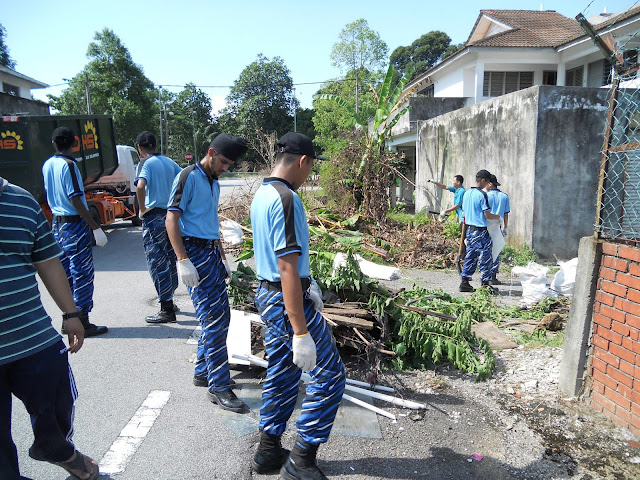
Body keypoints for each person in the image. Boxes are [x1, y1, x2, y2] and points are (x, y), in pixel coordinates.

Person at [250, 132, 346, 479]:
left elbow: (286, 261)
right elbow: (287, 266)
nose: (309, 177)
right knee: (331, 375)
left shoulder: (261, 194)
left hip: (269, 293)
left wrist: (310, 282)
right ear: (302, 161)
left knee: (283, 370)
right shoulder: (287, 198)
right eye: (311, 169)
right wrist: (301, 331)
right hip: (285, 298)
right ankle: (302, 460)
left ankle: (268, 451)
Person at [0, 176, 99, 480]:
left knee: (58, 408)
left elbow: (48, 262)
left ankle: (52, 445)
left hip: (34, 339)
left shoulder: (21, 201)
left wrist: (71, 314)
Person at [166, 133, 248, 412]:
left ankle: (204, 371)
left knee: (219, 316)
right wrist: (182, 259)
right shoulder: (188, 176)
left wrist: (222, 256)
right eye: (223, 162)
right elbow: (171, 218)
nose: (226, 168)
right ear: (211, 152)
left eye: (229, 165)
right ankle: (219, 386)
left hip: (210, 252)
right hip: (194, 253)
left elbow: (211, 221)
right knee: (214, 320)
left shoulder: (213, 181)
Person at [42, 127, 108, 337]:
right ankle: (83, 320)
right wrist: (95, 226)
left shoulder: (47, 164)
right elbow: (75, 199)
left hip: (57, 226)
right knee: (82, 273)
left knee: (65, 274)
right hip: (74, 225)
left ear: (54, 143)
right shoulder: (69, 165)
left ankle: (67, 318)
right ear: (74, 144)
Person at [134, 131, 182, 324]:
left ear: (140, 149)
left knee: (157, 261)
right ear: (155, 145)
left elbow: (140, 186)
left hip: (154, 217)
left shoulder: (145, 163)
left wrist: (142, 209)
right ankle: (170, 298)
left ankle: (166, 308)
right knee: (170, 258)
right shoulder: (171, 163)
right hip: (172, 217)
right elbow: (184, 181)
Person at [459, 169, 501, 293]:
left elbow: (465, 213)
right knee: (486, 257)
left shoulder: (466, 193)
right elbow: (487, 215)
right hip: (481, 231)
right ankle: (485, 283)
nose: (487, 184)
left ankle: (465, 282)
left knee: (470, 256)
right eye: (487, 182)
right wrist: (498, 217)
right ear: (483, 180)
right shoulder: (482, 195)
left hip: (470, 230)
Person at [485, 174, 510, 285]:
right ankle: (493, 275)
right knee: (496, 249)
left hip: (485, 225)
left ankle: (485, 273)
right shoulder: (504, 196)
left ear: (490, 183)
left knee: (486, 249)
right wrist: (506, 227)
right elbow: (505, 214)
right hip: (497, 226)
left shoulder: (484, 195)